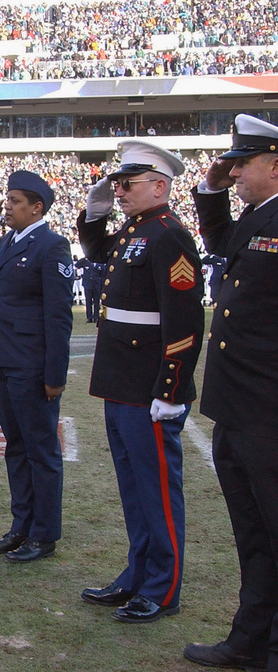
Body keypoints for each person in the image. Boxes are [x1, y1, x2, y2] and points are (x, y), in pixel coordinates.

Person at [78, 140, 204, 623]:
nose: (119, 191)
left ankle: (162, 587)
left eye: (126, 184)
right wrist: (94, 213)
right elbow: (97, 252)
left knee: (157, 493)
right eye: (116, 183)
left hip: (149, 386)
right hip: (120, 381)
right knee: (133, 489)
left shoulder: (170, 235)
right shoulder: (135, 230)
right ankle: (136, 573)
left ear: (159, 185)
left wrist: (170, 391)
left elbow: (184, 321)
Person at [184, 114, 278, 671]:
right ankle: (249, 637)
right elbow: (221, 242)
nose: (234, 171)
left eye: (243, 163)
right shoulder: (256, 217)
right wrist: (210, 189)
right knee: (253, 535)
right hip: (237, 406)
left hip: (268, 408)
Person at [0, 170, 73, 563]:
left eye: (14, 202)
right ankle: (20, 526)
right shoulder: (7, 241)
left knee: (41, 451)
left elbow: (58, 318)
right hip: (1, 361)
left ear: (36, 208)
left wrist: (55, 376)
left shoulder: (52, 246)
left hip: (30, 365)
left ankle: (44, 534)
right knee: (16, 447)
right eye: (5, 200)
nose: (6, 206)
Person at [75, 256, 105, 323]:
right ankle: (89, 317)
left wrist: (102, 286)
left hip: (97, 286)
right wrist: (85, 257)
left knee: (96, 302)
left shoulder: (100, 264)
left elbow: (103, 276)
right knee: (88, 302)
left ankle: (96, 317)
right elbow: (77, 265)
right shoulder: (85, 262)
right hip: (87, 285)